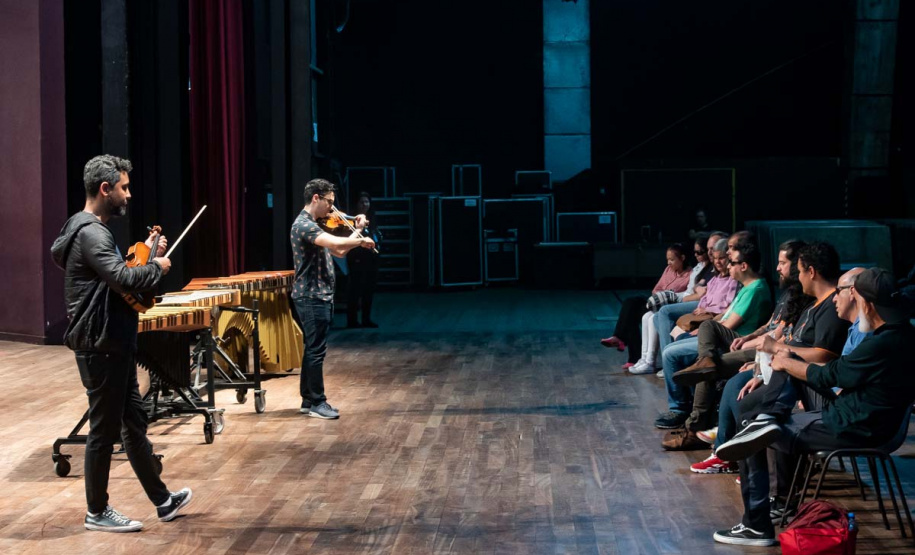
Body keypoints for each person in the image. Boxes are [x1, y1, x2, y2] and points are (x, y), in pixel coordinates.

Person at [711, 268, 915, 546]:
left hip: (851, 427)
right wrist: (789, 358)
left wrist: (784, 361)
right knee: (784, 369)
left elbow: (829, 375)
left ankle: (756, 526)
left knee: (752, 433)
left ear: (865, 303)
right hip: (864, 419)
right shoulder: (904, 334)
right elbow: (834, 375)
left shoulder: (881, 344)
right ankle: (767, 418)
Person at [50, 155, 192, 532]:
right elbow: (122, 279)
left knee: (133, 424)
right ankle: (96, 512)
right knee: (104, 431)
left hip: (113, 342)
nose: (128, 194)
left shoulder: (89, 231)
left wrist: (146, 254)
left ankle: (162, 501)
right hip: (101, 345)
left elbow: (116, 275)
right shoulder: (93, 232)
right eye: (124, 187)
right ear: (105, 188)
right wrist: (156, 268)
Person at [654, 241, 772, 430]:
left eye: (731, 262)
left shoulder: (755, 288)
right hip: (723, 336)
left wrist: (706, 328)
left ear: (743, 266)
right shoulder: (747, 286)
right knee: (674, 342)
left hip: (731, 341)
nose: (727, 265)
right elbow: (724, 315)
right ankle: (689, 398)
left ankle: (679, 408)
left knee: (671, 353)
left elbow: (730, 324)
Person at [291, 178, 375, 419]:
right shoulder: (304, 225)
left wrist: (356, 231)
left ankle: (308, 399)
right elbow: (336, 242)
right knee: (316, 351)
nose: (332, 208)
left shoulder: (315, 224)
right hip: (311, 295)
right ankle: (318, 402)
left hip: (318, 295)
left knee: (313, 349)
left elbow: (339, 250)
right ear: (315, 198)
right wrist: (360, 240)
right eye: (329, 202)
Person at [628, 234, 724, 374]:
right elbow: (698, 287)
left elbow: (703, 293)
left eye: (702, 251)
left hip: (696, 302)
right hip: (693, 299)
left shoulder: (706, 269)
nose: (700, 254)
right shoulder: (702, 268)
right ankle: (646, 359)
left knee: (664, 311)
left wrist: (677, 297)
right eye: (697, 252)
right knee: (647, 316)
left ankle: (665, 361)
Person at [601, 244, 692, 366]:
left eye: (672, 259)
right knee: (630, 303)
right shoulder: (668, 270)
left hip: (667, 306)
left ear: (682, 258)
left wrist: (665, 297)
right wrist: (659, 296)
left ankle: (626, 348)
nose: (669, 263)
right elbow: (656, 289)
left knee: (632, 315)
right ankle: (623, 343)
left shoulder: (690, 275)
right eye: (667, 260)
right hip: (655, 301)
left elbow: (683, 296)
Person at [346, 192, 380, 328]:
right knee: (355, 290)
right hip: (357, 258)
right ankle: (352, 320)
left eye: (367, 202)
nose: (365, 204)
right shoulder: (351, 220)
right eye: (362, 202)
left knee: (369, 290)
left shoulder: (372, 218)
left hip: (371, 259)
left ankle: (366, 319)